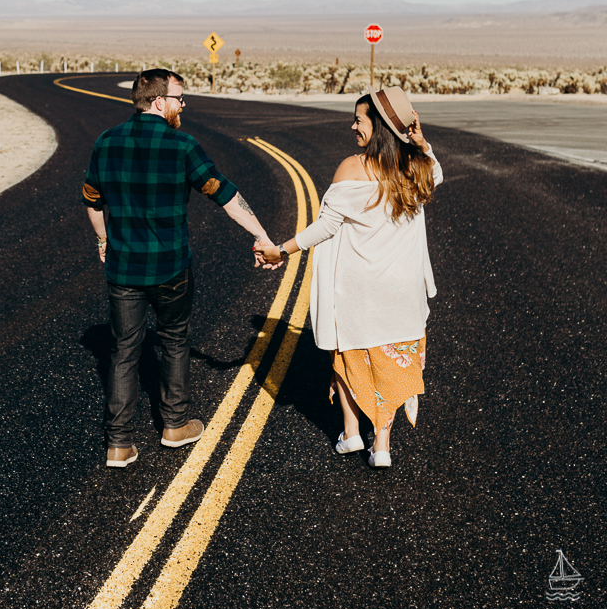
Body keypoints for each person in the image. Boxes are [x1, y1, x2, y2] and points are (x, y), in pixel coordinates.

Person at [83, 68, 274, 469]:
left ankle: (119, 444)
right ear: (159, 102)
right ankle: (174, 425)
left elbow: (92, 198)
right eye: (179, 100)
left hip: (123, 268)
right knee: (173, 341)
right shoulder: (182, 145)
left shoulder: (106, 142)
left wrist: (103, 241)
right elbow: (224, 194)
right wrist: (262, 236)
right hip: (171, 267)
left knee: (122, 351)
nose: (182, 107)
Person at [255, 85, 442, 469]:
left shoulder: (352, 168)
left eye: (359, 120)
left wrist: (281, 250)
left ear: (380, 126)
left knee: (348, 355)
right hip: (401, 290)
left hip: (360, 288)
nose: (353, 126)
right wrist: (422, 144)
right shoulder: (416, 167)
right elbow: (436, 173)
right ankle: (382, 445)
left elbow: (324, 228)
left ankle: (352, 432)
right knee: (391, 360)